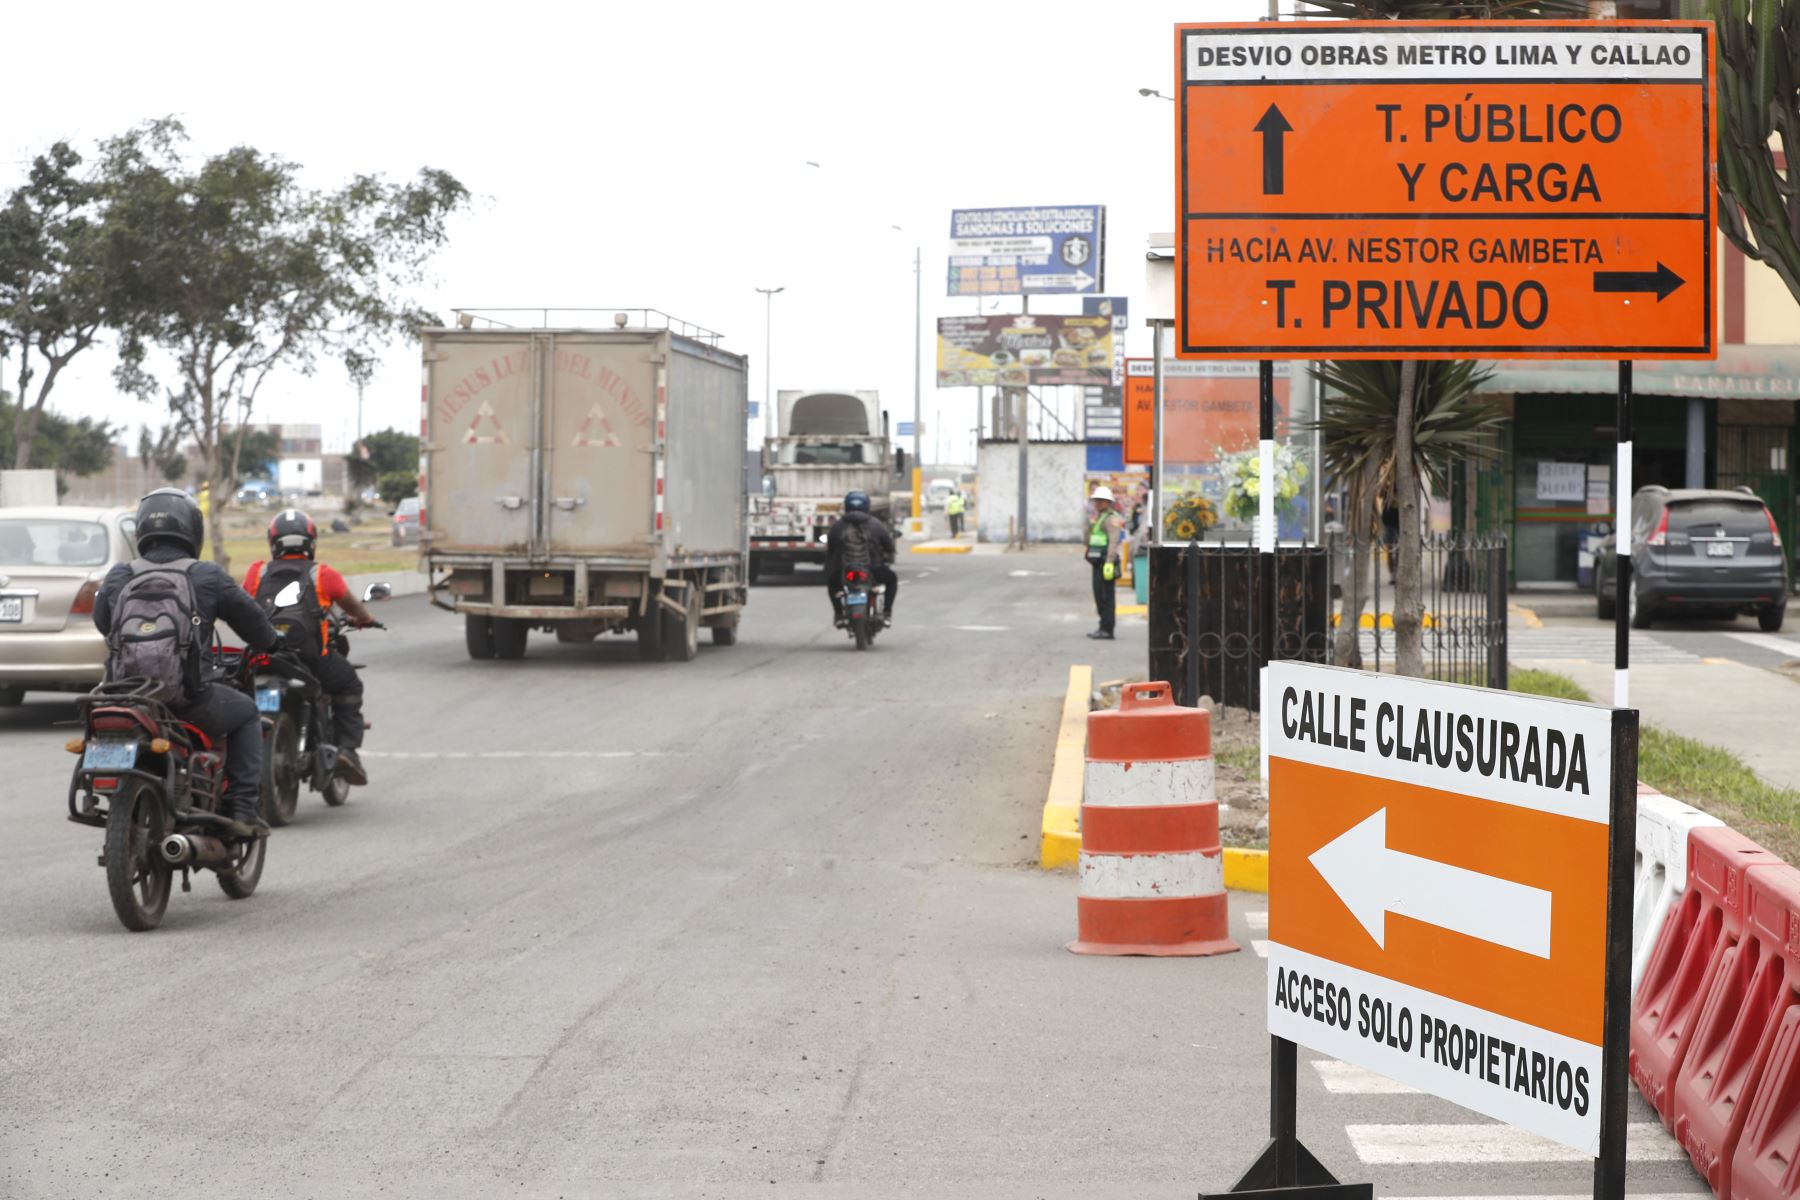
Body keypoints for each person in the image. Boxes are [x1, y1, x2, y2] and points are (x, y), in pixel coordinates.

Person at [93, 488, 279, 835]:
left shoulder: (120, 575)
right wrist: (273, 641)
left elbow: (103, 622)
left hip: (125, 698)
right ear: (192, 530)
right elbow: (254, 624)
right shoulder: (206, 576)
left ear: (143, 529)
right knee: (247, 713)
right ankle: (241, 810)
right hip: (187, 699)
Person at [244, 510, 378, 785]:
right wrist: (365, 619)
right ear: (311, 542)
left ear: (273, 542)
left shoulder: (257, 572)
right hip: (311, 660)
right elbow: (351, 604)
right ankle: (348, 751)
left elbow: (242, 605)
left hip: (263, 657)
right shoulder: (322, 575)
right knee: (349, 685)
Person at [825, 490, 898, 625]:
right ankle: (887, 613)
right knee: (892, 579)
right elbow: (889, 546)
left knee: (832, 583)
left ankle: (839, 615)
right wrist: (888, 553)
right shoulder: (876, 524)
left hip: (846, 571)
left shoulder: (838, 525)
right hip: (872, 571)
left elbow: (830, 548)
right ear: (867, 506)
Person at [1086, 486, 1127, 641]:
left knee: (1106, 596)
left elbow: (1113, 541)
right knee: (1099, 595)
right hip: (1097, 562)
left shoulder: (1111, 519)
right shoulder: (1100, 517)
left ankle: (1107, 629)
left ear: (1107, 502)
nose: (1097, 503)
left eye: (1100, 501)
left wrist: (1109, 562)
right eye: (1096, 500)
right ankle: (1102, 626)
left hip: (1106, 562)